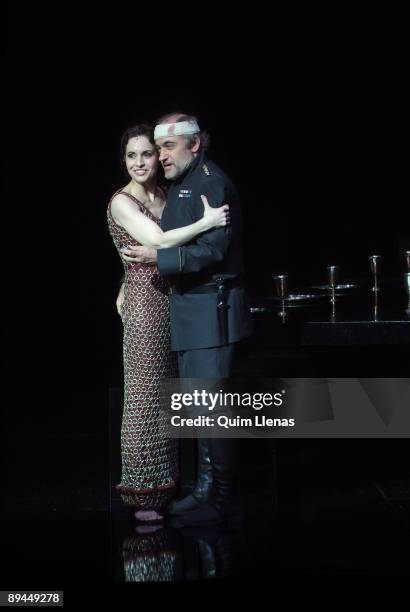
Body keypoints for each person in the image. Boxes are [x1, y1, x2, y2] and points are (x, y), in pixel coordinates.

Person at [121, 114, 253, 526]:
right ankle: (204, 491)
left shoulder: (209, 181)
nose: (160, 157)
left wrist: (158, 260)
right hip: (191, 314)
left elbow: (212, 251)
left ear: (194, 145)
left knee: (213, 412)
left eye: (166, 148)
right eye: (155, 149)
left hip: (211, 314)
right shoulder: (183, 182)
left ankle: (222, 499)